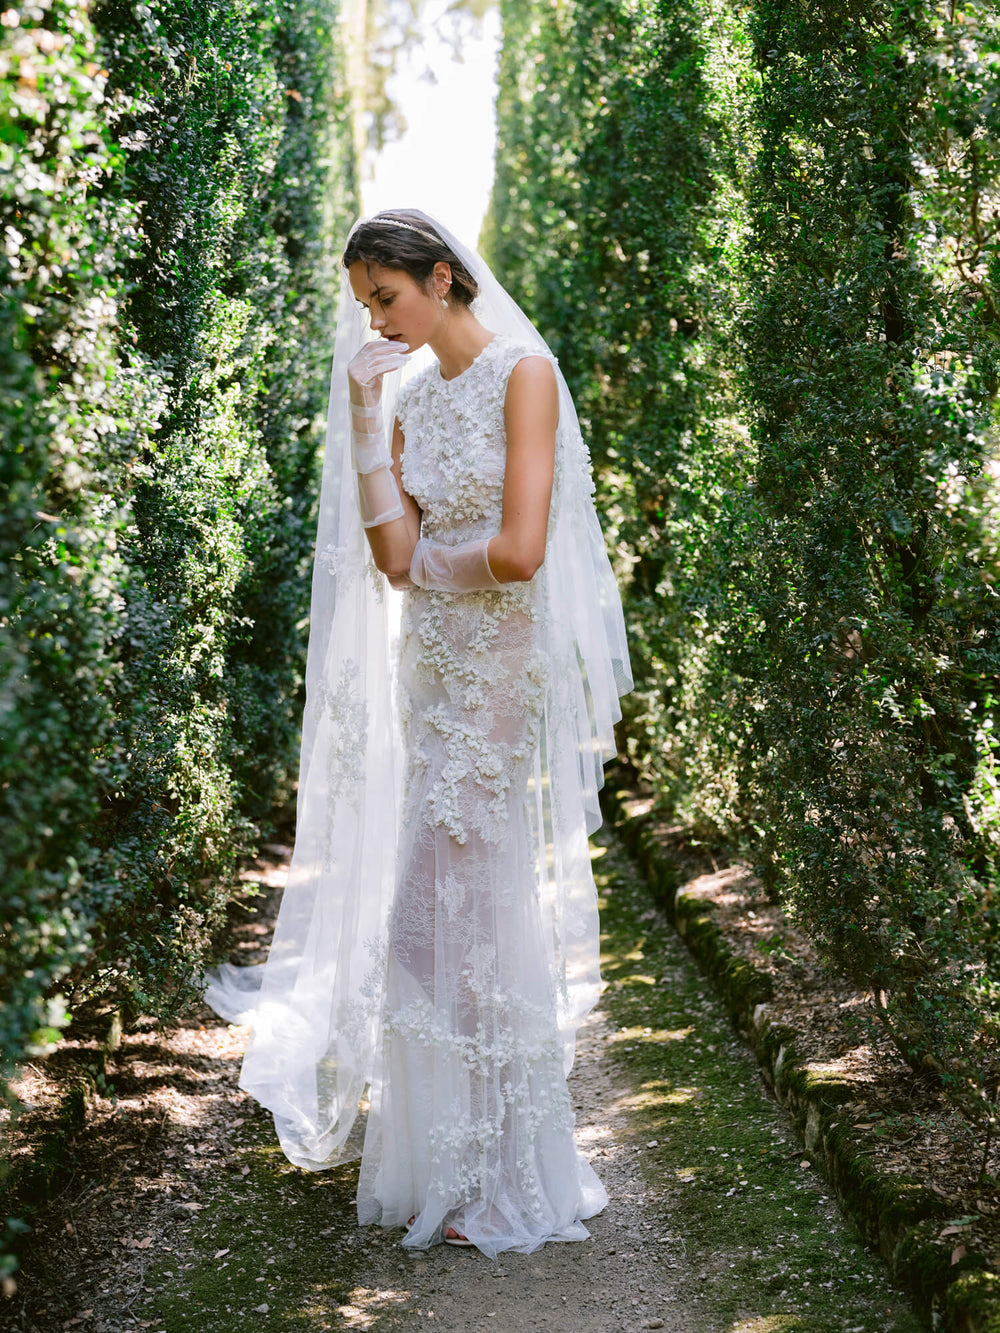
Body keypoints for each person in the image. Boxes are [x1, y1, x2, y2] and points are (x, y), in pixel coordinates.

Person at [204, 208, 632, 1259]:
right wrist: (360, 414)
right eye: (363, 307)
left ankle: (508, 1176)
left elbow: (522, 550)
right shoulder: (408, 397)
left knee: (464, 912)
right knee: (431, 926)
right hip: (427, 673)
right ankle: (452, 1161)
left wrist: (425, 571)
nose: (377, 324)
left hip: (492, 674)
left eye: (385, 299)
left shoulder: (523, 375)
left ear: (441, 279)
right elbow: (389, 543)